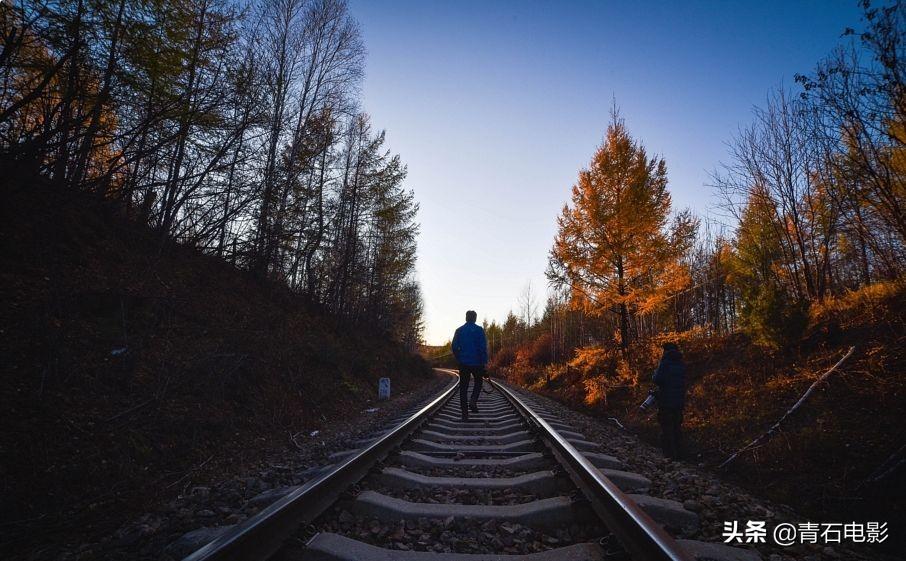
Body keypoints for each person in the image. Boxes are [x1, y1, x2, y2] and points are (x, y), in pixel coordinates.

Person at [451, 310, 488, 421]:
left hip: (463, 363)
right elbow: (483, 348)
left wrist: (459, 358)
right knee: (478, 382)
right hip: (477, 363)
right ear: (475, 318)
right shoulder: (479, 330)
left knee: (463, 387)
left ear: (466, 318)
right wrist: (484, 363)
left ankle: (465, 414)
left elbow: (454, 347)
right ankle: (473, 401)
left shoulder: (459, 330)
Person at [652, 342, 686, 460]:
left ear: (665, 351)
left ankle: (668, 455)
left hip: (666, 401)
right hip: (679, 402)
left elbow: (657, 379)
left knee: (666, 428)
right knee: (677, 428)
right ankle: (680, 455)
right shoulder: (681, 364)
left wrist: (654, 374)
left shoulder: (665, 363)